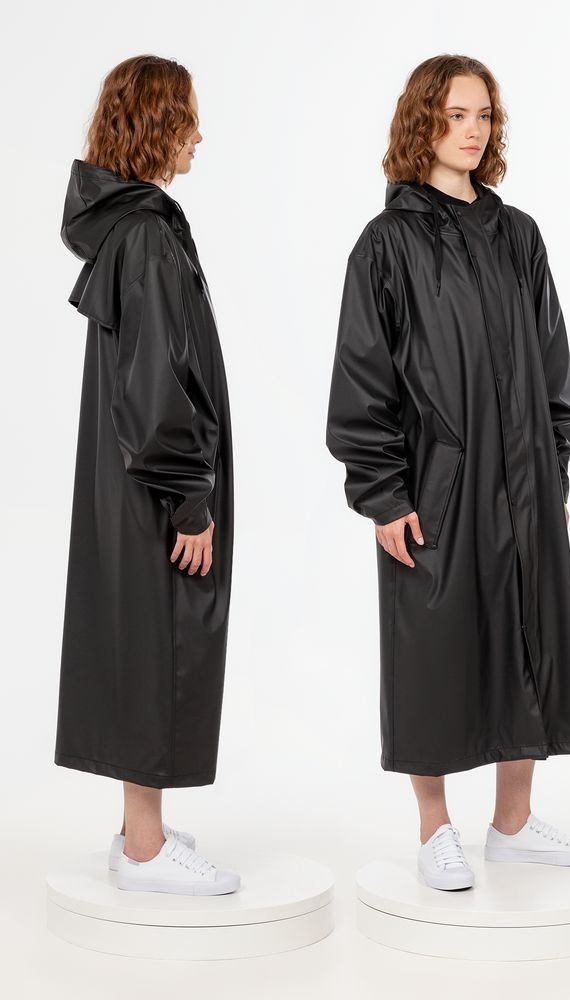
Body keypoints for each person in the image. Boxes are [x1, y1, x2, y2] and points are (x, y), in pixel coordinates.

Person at [327, 55, 570, 891]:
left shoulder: (519, 236)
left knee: (528, 641)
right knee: (433, 654)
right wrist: (383, 493)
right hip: (437, 488)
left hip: (524, 483)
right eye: (455, 115)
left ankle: (513, 823)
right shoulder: (388, 244)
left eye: (483, 115)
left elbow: (553, 367)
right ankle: (434, 828)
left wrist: (552, 471)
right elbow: (363, 379)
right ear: (423, 122)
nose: (473, 130)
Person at [56, 55, 239, 895]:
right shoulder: (149, 237)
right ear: (156, 124)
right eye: (187, 118)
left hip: (128, 483)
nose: (199, 135)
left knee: (142, 641)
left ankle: (141, 828)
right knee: (160, 645)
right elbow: (160, 388)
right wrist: (191, 502)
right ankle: (144, 850)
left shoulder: (128, 230)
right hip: (155, 492)